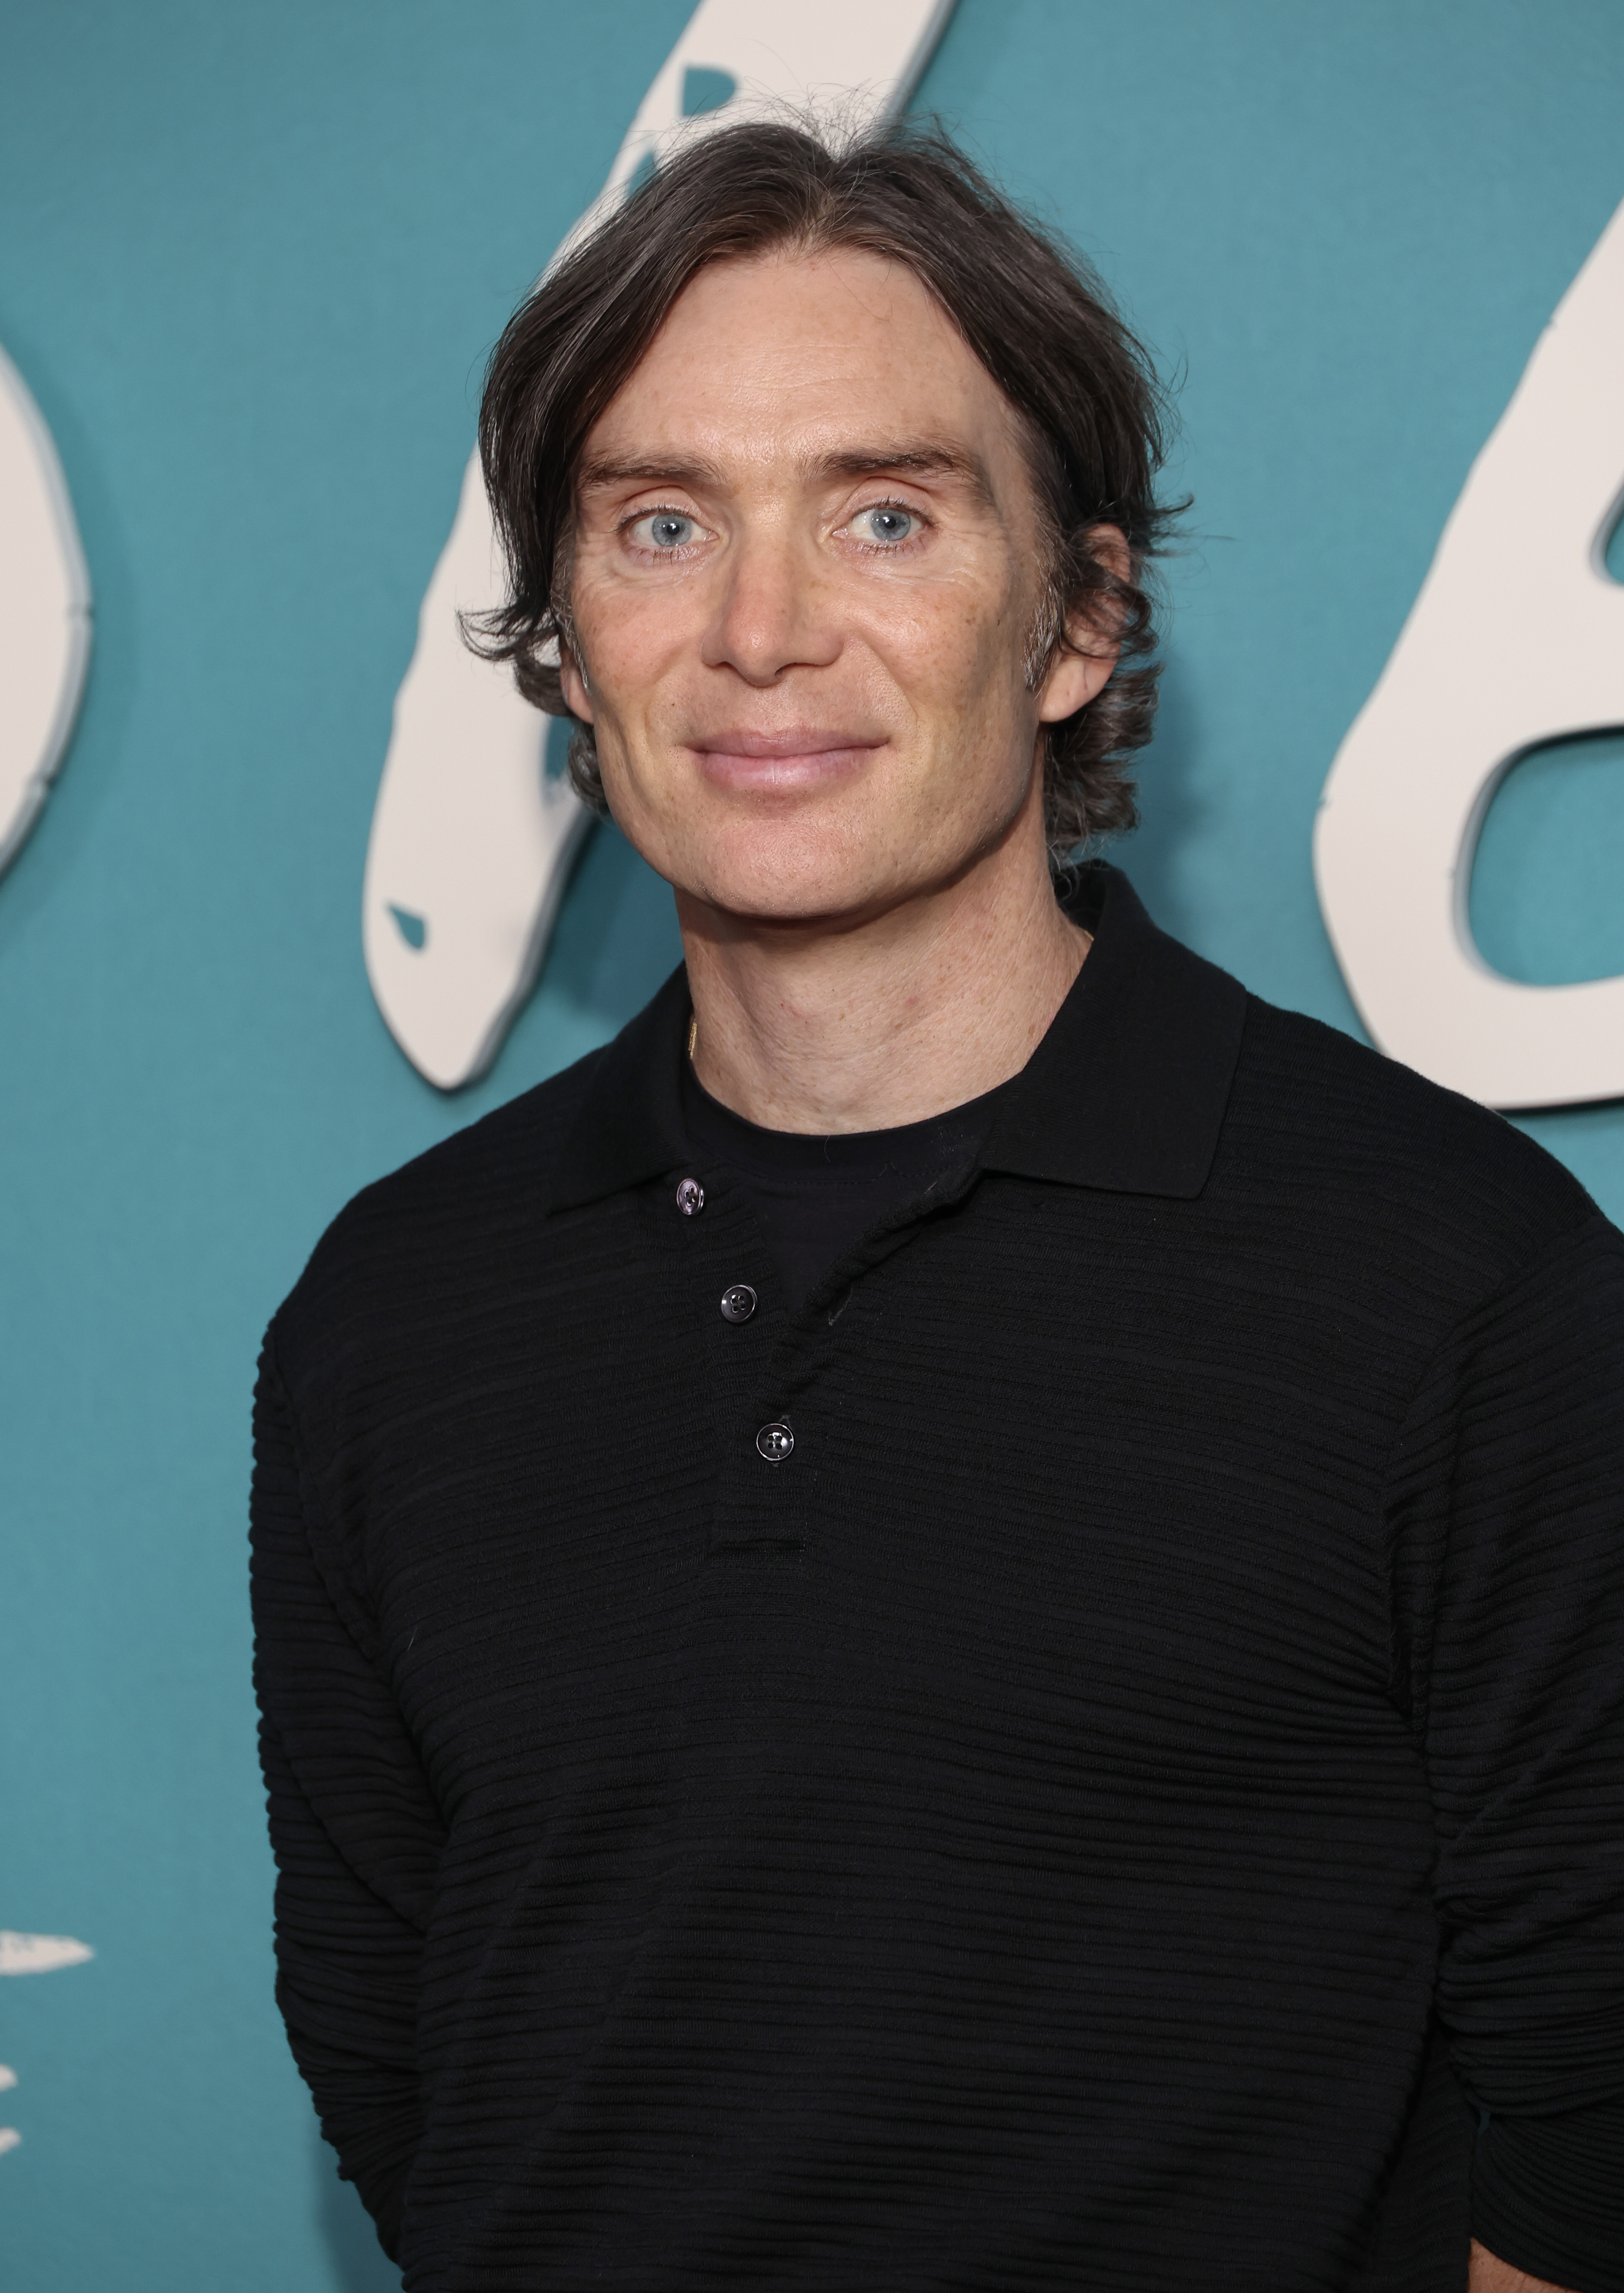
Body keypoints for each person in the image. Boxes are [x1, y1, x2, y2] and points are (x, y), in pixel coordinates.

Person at [250, 121, 1623, 2292]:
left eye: (884, 515)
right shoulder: (397, 1310)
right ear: (567, 643)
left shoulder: (1456, 1276)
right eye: (663, 524)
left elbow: (1590, 2119)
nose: (762, 632)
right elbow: (408, 2052)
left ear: (1078, 618)